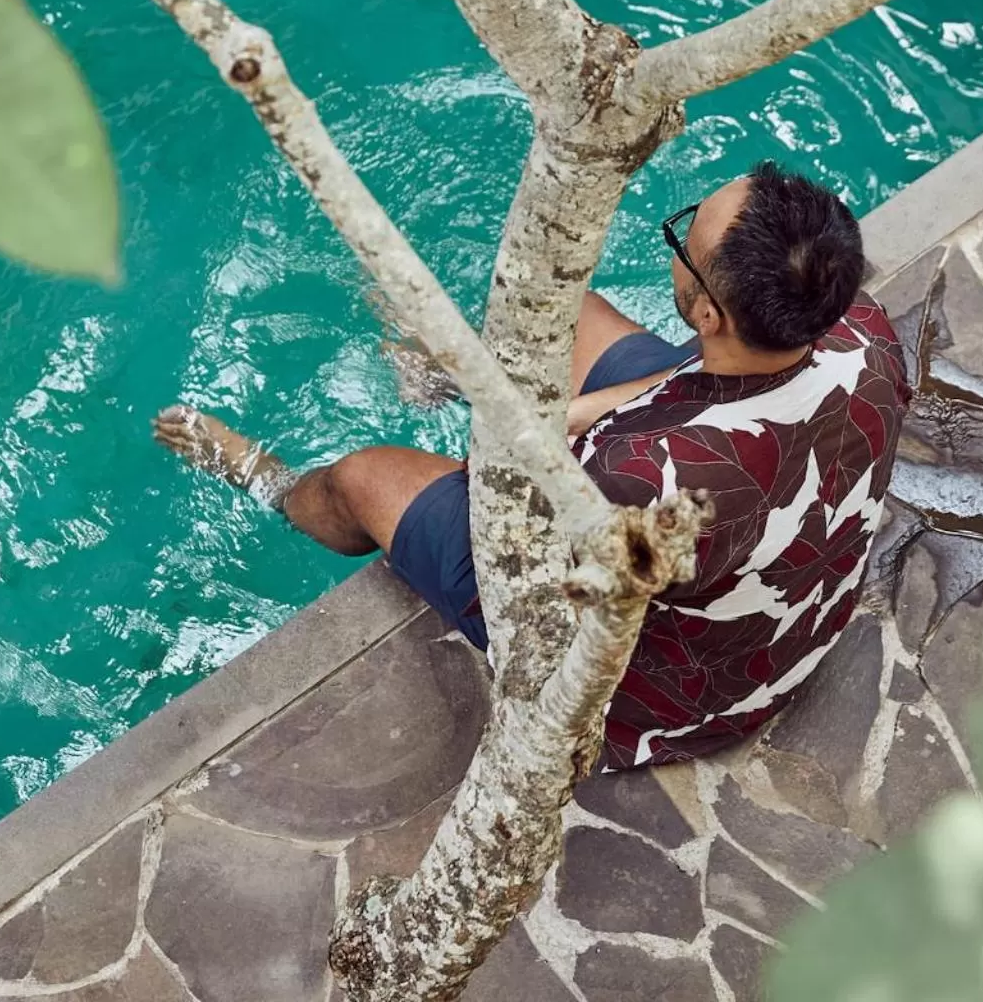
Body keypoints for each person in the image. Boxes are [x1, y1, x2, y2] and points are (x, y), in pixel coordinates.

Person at [153, 161, 910, 770]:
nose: (675, 241)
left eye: (684, 239)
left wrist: (522, 445)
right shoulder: (858, 324)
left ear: (708, 314)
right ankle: (440, 377)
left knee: (362, 478)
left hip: (676, 704)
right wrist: (585, 409)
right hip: (767, 577)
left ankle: (271, 480)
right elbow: (699, 389)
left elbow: (525, 565)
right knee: (564, 314)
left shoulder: (631, 479)